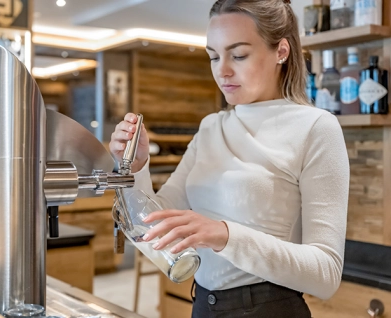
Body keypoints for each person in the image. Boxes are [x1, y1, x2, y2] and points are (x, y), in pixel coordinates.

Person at [109, 0, 349, 317]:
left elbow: (326, 273)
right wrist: (135, 166)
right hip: (203, 306)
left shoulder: (316, 127)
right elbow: (151, 229)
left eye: (238, 55)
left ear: (281, 51)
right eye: (213, 56)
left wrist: (226, 236)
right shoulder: (211, 127)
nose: (222, 70)